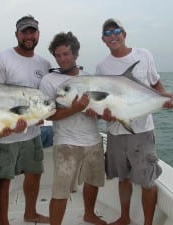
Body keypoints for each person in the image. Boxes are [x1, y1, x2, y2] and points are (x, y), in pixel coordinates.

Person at [96, 18, 173, 225]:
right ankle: (124, 218)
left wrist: (165, 98)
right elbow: (103, 100)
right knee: (123, 178)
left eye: (116, 31)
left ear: (124, 34)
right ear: (103, 40)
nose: (113, 36)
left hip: (142, 131)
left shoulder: (144, 55)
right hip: (116, 132)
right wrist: (104, 114)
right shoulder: (102, 66)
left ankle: (147, 223)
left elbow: (156, 83)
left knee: (147, 180)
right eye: (107, 33)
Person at [0, 15, 51, 225]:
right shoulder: (1, 60)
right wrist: (4, 125)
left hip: (32, 133)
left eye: (32, 31)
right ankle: (3, 221)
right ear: (17, 34)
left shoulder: (44, 63)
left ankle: (30, 213)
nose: (29, 36)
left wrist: (41, 116)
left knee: (34, 173)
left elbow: (44, 99)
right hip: (6, 136)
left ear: (38, 34)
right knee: (3, 180)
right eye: (24, 32)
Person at [39, 32, 107, 225]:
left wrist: (100, 114)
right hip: (66, 142)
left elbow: (100, 110)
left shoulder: (89, 78)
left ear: (76, 54)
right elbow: (48, 115)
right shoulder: (49, 81)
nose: (62, 59)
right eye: (58, 55)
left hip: (93, 138)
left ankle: (89, 214)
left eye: (66, 54)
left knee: (93, 181)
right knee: (61, 190)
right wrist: (75, 109)